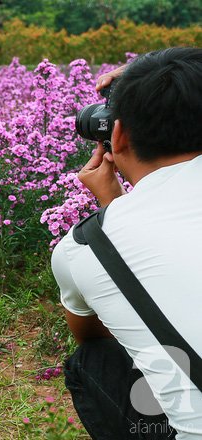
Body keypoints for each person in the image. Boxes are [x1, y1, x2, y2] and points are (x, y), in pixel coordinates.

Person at [52, 46, 202, 439]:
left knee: (92, 360)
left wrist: (113, 208)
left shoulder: (84, 246)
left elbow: (98, 336)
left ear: (115, 134)